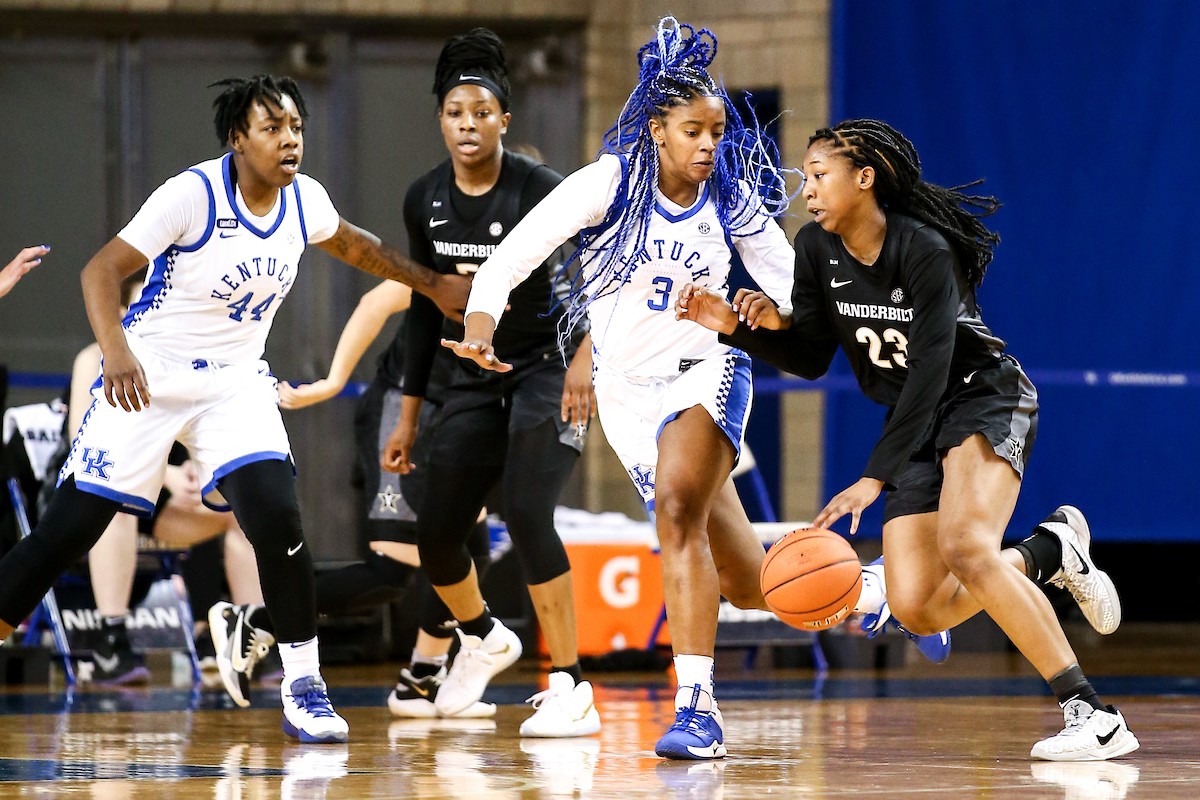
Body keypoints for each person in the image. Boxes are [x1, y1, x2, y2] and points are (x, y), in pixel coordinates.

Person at [0, 74, 471, 745]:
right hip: (150, 373)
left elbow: (357, 246)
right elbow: (99, 272)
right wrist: (116, 352)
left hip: (233, 383)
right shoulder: (191, 194)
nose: (290, 140)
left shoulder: (305, 200)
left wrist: (431, 284)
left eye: (297, 127)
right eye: (273, 128)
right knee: (65, 535)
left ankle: (304, 687)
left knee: (277, 516)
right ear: (237, 139)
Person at [676, 118, 1137, 762]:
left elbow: (930, 369)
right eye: (806, 178)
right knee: (918, 606)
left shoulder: (924, 248)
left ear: (864, 178)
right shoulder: (815, 247)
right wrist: (735, 326)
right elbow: (810, 357)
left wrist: (874, 476)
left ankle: (1092, 714)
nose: (808, 189)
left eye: (820, 175)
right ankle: (1049, 550)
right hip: (914, 419)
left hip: (980, 396)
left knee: (965, 546)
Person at [450, 17, 806, 759]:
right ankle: (874, 597)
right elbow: (511, 257)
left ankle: (697, 710)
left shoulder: (731, 196)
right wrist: (481, 323)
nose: (708, 145)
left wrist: (772, 315)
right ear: (655, 130)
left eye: (717, 132)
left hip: (706, 371)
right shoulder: (607, 184)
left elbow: (794, 291)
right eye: (692, 131)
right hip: (626, 395)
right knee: (746, 581)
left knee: (675, 511)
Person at [378, 28, 599, 737]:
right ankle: (483, 635)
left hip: (548, 366)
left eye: (481, 112)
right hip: (472, 375)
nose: (468, 124)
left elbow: (606, 270)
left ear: (505, 119)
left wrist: (587, 357)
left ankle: (571, 683)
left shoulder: (541, 188)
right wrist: (408, 413)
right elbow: (424, 308)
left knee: (529, 512)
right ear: (440, 121)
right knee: (438, 533)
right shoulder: (424, 198)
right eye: (455, 113)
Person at [270, 277, 495, 719]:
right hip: (403, 410)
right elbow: (376, 301)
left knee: (471, 550)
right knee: (392, 571)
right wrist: (334, 381)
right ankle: (256, 620)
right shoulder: (445, 255)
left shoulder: (524, 267)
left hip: (455, 413)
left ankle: (421, 678)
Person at [69, 314, 265, 685]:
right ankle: (112, 640)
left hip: (158, 495)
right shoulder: (92, 357)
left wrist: (193, 469)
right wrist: (166, 475)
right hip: (97, 488)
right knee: (115, 506)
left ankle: (251, 635)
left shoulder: (176, 357)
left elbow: (196, 432)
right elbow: (83, 447)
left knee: (237, 514)